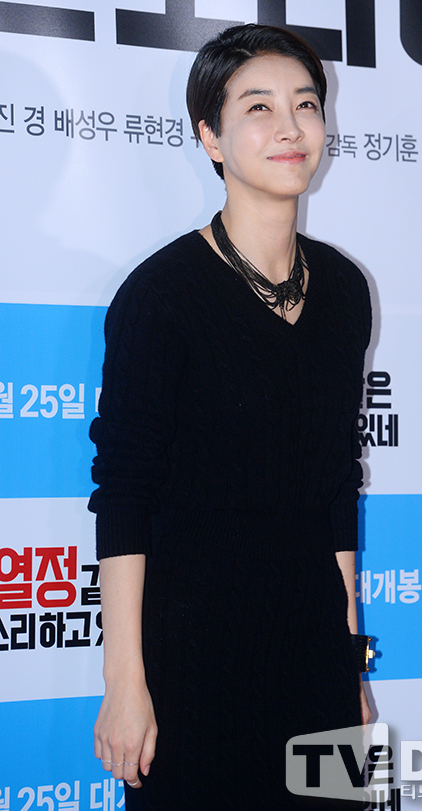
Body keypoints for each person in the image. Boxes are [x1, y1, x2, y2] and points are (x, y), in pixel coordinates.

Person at [89, 23, 372, 811]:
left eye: (306, 104)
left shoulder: (346, 291)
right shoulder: (162, 296)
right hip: (190, 664)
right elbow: (124, 494)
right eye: (258, 107)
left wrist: (348, 663)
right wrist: (125, 681)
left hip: (315, 655)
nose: (290, 127)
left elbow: (336, 487)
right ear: (210, 137)